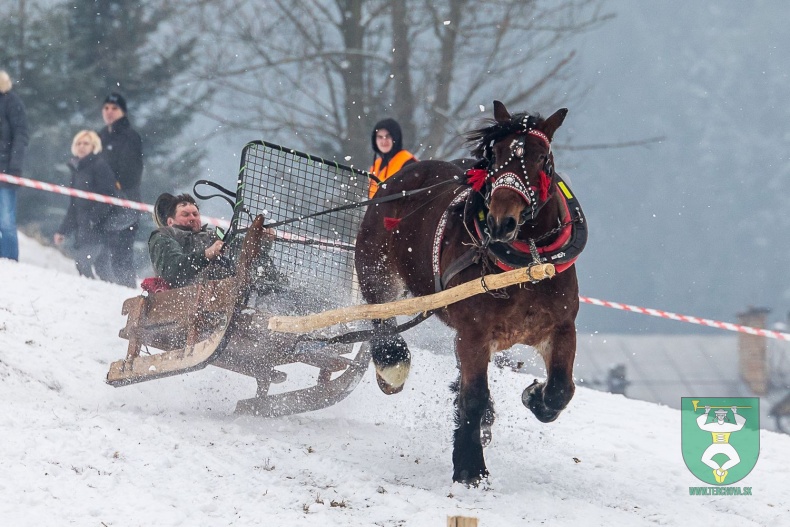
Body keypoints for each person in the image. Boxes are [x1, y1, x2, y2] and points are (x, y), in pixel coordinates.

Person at [54, 131, 118, 280]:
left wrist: (93, 219)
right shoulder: (77, 170)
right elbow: (74, 206)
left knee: (82, 263)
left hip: (100, 229)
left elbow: (109, 196)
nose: (82, 147)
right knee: (104, 272)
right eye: (79, 143)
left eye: (86, 143)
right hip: (84, 230)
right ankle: (108, 298)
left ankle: (97, 295)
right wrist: (63, 231)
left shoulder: (100, 165)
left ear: (94, 146)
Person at [98, 92, 143, 287]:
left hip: (126, 201)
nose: (109, 112)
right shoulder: (101, 135)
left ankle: (126, 292)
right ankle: (110, 290)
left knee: (120, 252)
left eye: (114, 108)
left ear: (123, 112)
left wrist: (115, 184)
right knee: (104, 250)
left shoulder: (130, 137)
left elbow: (132, 171)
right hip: (104, 200)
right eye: (106, 108)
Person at [148, 193, 229, 288]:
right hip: (183, 297)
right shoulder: (164, 235)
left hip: (224, 291)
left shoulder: (214, 235)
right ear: (170, 222)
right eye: (185, 215)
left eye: (195, 214)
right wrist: (206, 255)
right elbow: (173, 270)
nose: (192, 218)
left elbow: (238, 248)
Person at [0, 69, 30, 261]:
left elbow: (21, 135)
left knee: (6, 221)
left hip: (6, 171)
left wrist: (14, 167)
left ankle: (10, 261)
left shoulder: (11, 102)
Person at [368, 118, 417, 198]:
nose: (384, 141)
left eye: (388, 136)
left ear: (395, 138)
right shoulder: (376, 164)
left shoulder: (408, 162)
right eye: (380, 137)